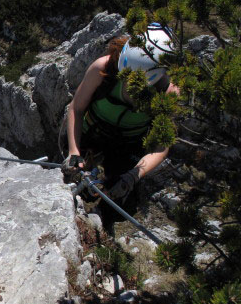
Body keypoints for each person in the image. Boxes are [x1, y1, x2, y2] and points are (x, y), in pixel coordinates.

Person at [63, 23, 180, 204]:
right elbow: (76, 108)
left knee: (116, 199)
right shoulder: (103, 69)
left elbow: (161, 147)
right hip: (90, 134)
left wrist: (133, 176)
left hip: (127, 146)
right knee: (68, 178)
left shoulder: (167, 94)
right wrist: (73, 151)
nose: (128, 85)